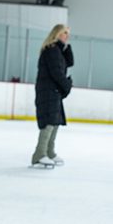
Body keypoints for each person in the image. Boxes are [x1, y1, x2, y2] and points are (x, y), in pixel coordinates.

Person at [31, 24, 73, 168]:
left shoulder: (58, 50)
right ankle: (39, 154)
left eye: (68, 33)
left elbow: (69, 63)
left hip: (54, 91)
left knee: (55, 122)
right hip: (48, 91)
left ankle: (49, 152)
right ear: (56, 34)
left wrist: (67, 48)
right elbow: (56, 72)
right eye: (64, 33)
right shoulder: (51, 50)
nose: (66, 36)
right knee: (49, 122)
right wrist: (66, 85)